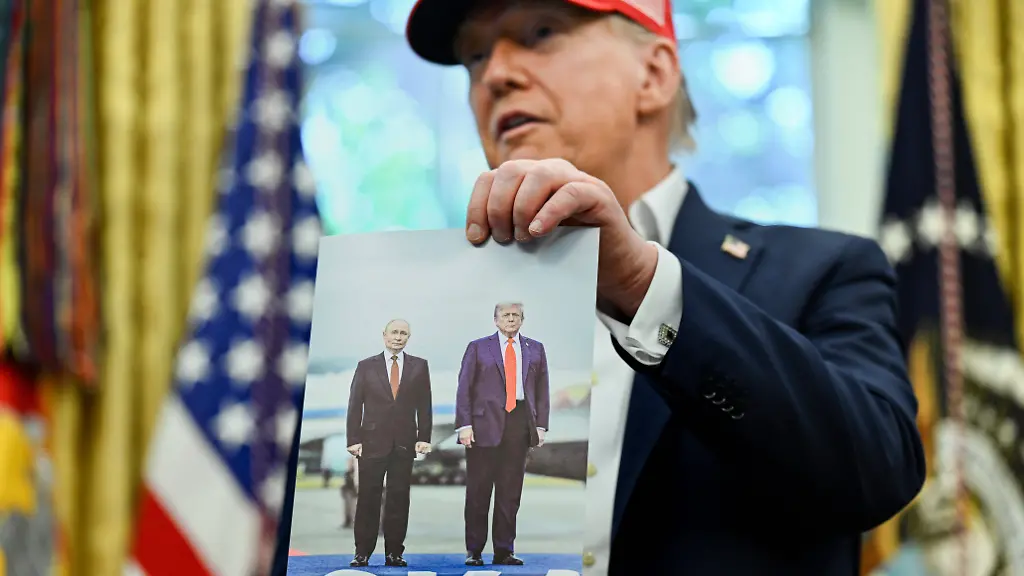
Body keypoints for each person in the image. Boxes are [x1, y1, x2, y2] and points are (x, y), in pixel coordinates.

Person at [402, 1, 927, 574]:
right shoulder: (427, 308)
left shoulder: (824, 269)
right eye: (474, 56)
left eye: (541, 33)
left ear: (652, 74)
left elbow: (877, 472)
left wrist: (641, 285)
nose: (495, 74)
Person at [455, 302, 550, 566]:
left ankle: (504, 550)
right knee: (478, 492)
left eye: (515, 315)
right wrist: (464, 425)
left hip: (519, 425)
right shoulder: (478, 347)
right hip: (483, 427)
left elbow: (542, 390)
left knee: (510, 493)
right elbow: (464, 388)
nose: (511, 319)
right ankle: (474, 550)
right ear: (495, 320)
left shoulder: (536, 348)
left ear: (523, 319)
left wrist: (540, 426)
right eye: (505, 315)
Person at [345, 319, 433, 567]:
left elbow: (424, 405)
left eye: (403, 333)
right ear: (384, 335)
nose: (398, 337)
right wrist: (353, 439)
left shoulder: (419, 366)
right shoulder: (366, 367)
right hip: (371, 442)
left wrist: (424, 437)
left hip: (404, 443)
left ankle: (394, 553)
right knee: (368, 498)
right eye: (394, 332)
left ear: (408, 338)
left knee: (399, 498)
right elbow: (354, 405)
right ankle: (362, 552)